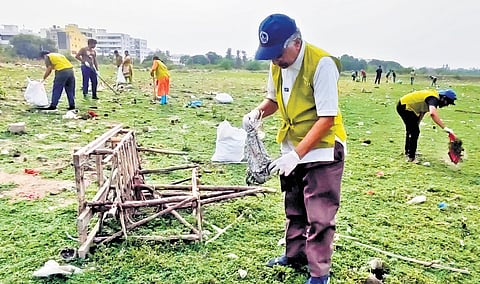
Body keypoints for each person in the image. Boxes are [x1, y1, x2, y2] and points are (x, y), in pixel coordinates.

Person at [242, 14, 346, 284]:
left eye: (277, 53)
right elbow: (273, 100)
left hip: (322, 150)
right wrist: (257, 114)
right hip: (291, 147)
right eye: (270, 55)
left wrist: (297, 155)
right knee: (294, 206)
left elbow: (327, 118)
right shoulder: (277, 65)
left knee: (320, 214)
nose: (274, 60)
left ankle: (319, 274)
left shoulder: (321, 64)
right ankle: (295, 255)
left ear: (296, 42)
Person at [396, 89, 457, 163]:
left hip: (406, 105)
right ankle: (411, 157)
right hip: (405, 106)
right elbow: (433, 114)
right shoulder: (433, 98)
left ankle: (409, 152)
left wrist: (417, 123)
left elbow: (423, 111)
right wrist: (444, 128)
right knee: (414, 131)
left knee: (412, 130)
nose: (446, 105)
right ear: (443, 98)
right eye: (447, 102)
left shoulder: (433, 98)